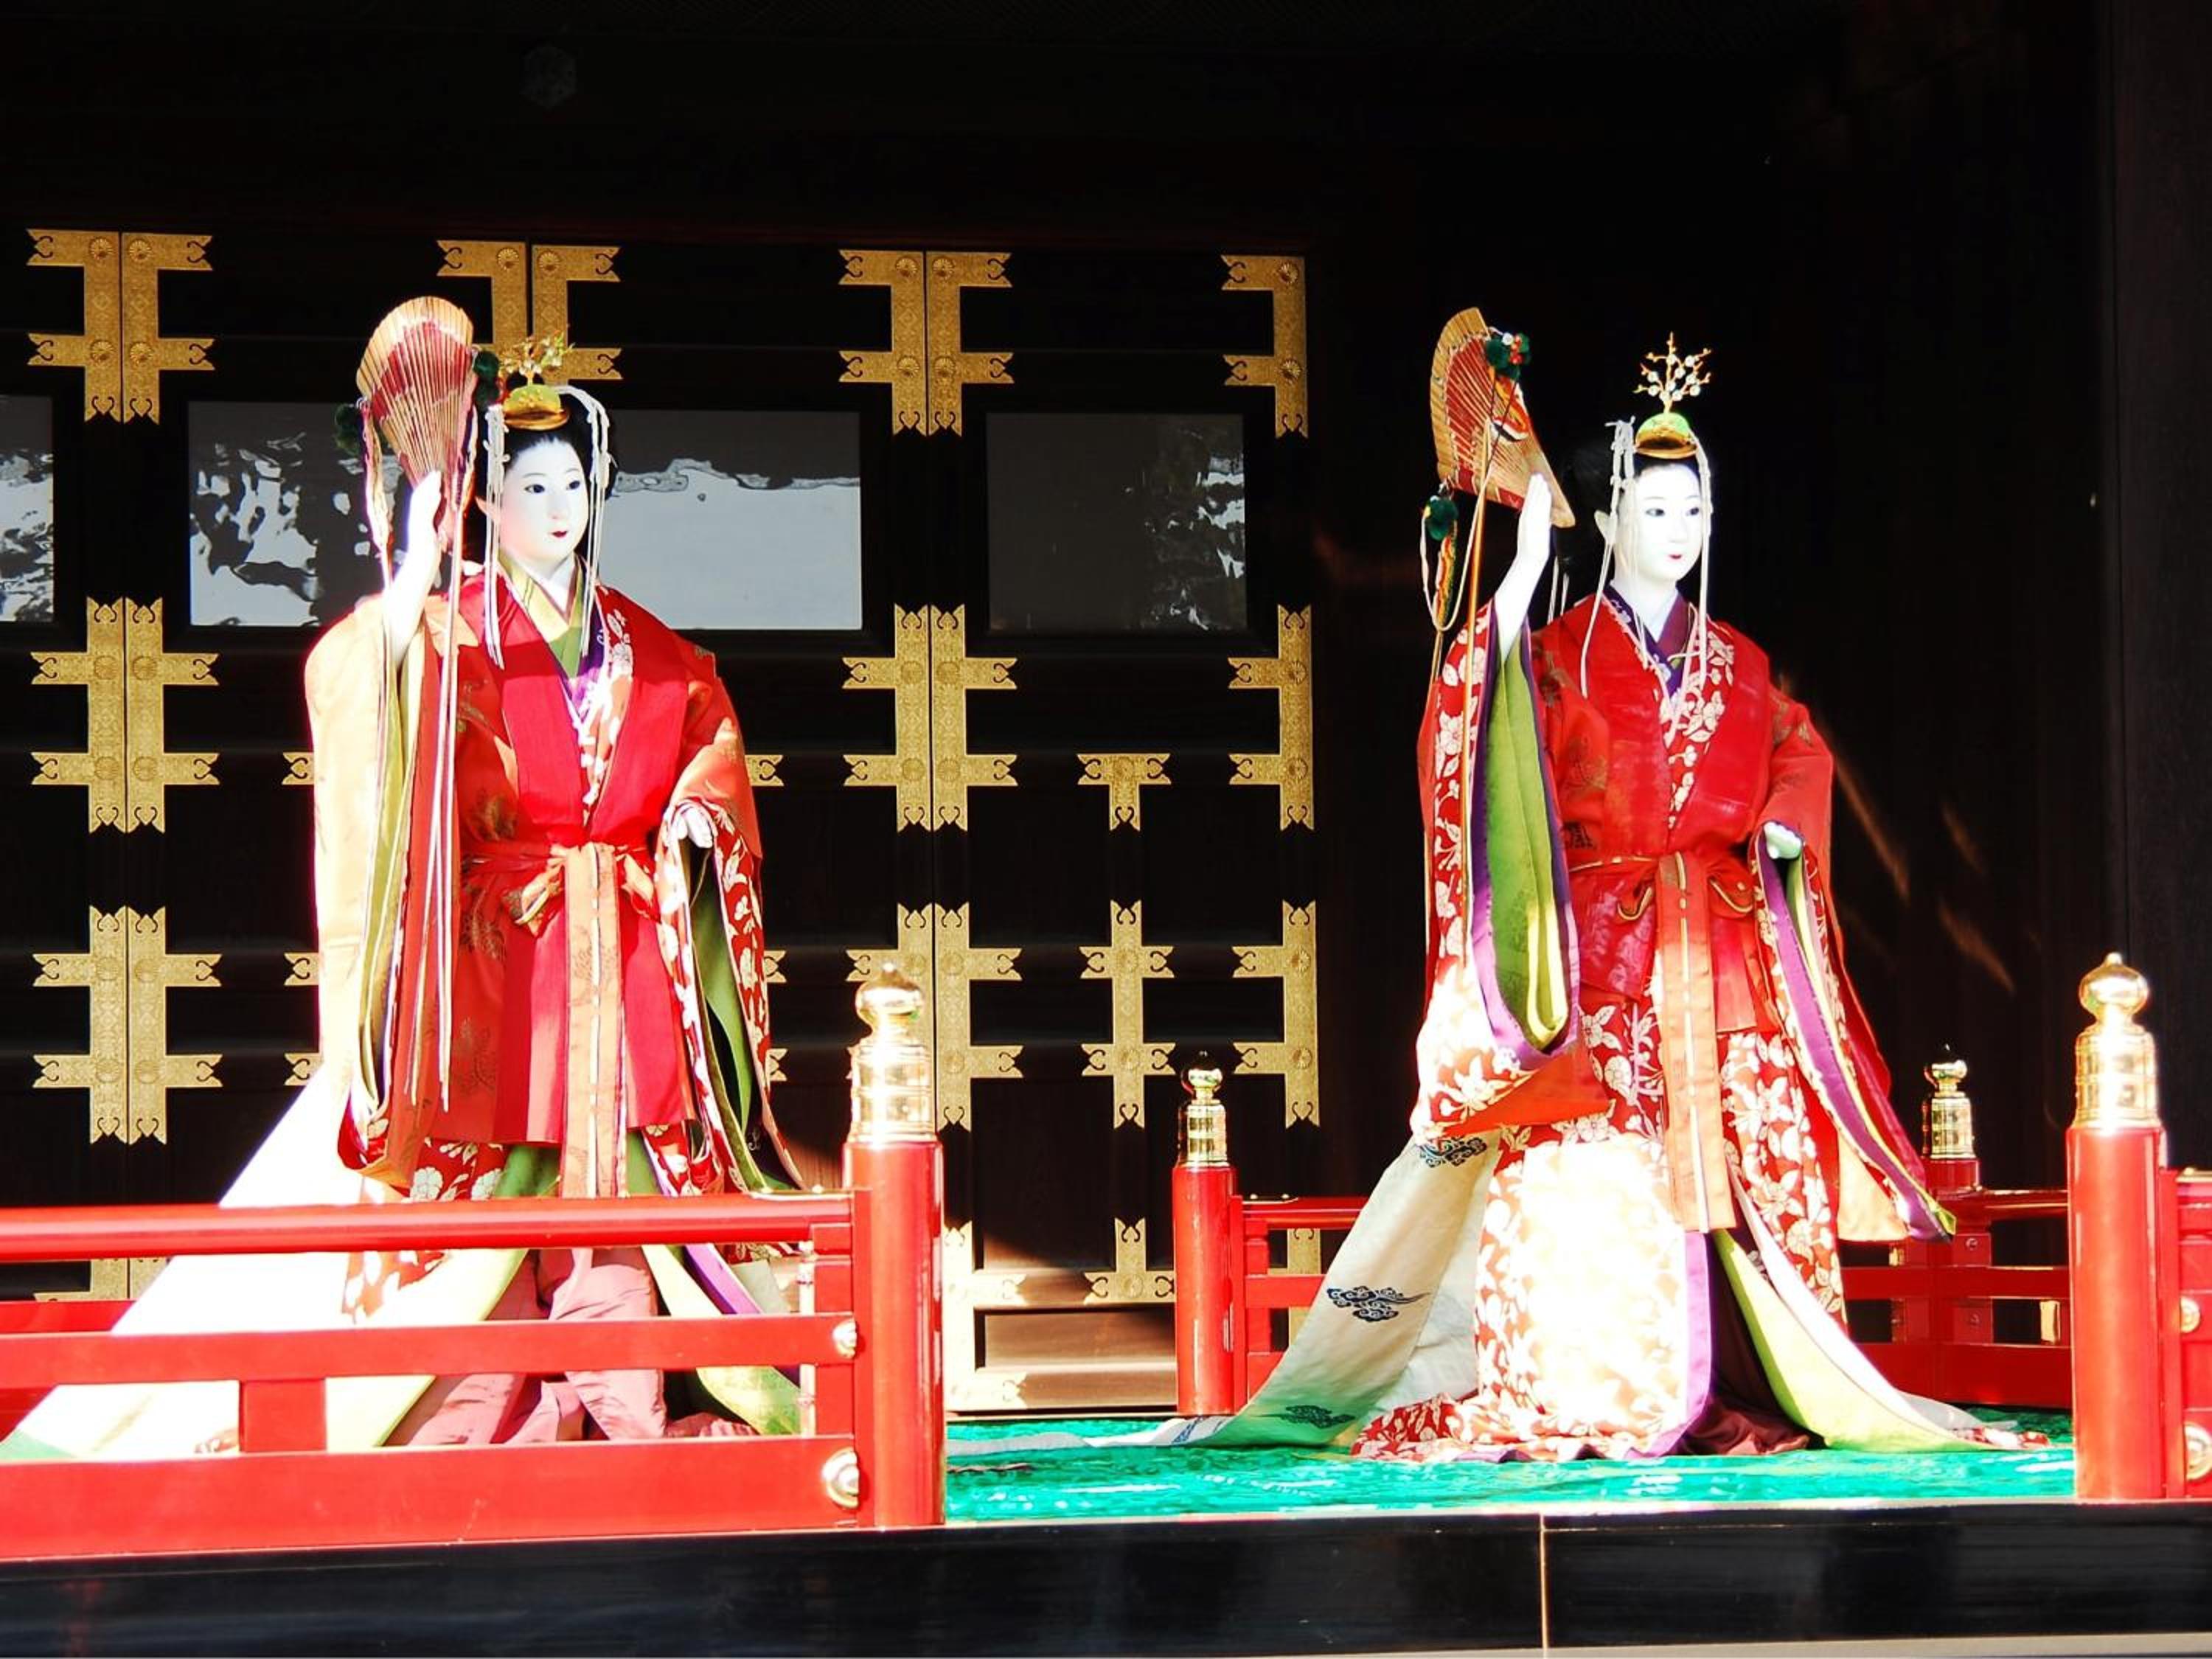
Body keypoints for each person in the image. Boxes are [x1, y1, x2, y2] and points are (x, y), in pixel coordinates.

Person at [1210, 337, 2019, 1461]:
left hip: (1723, 960)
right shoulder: (1553, 655)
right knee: (1591, 1175)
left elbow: (1797, 748)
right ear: (1608, 517)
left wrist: (1786, 818)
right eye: (1655, 508)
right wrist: (1516, 574)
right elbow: (1475, 730)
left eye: (1695, 510)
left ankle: (1756, 1373)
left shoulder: (1740, 661)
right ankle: (1597, 1379)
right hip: (1600, 973)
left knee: (1751, 1153)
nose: (1678, 530)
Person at [3, 329, 796, 1460]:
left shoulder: (662, 656)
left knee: (627, 1185)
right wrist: (413, 575)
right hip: (496, 969)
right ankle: (482, 1405)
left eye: (574, 485)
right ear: (488, 503)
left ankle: (630, 1396)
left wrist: (682, 832)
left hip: (622, 956)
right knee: (485, 1203)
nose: (557, 508)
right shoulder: (437, 635)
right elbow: (358, 689)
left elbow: (709, 760)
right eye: (530, 486)